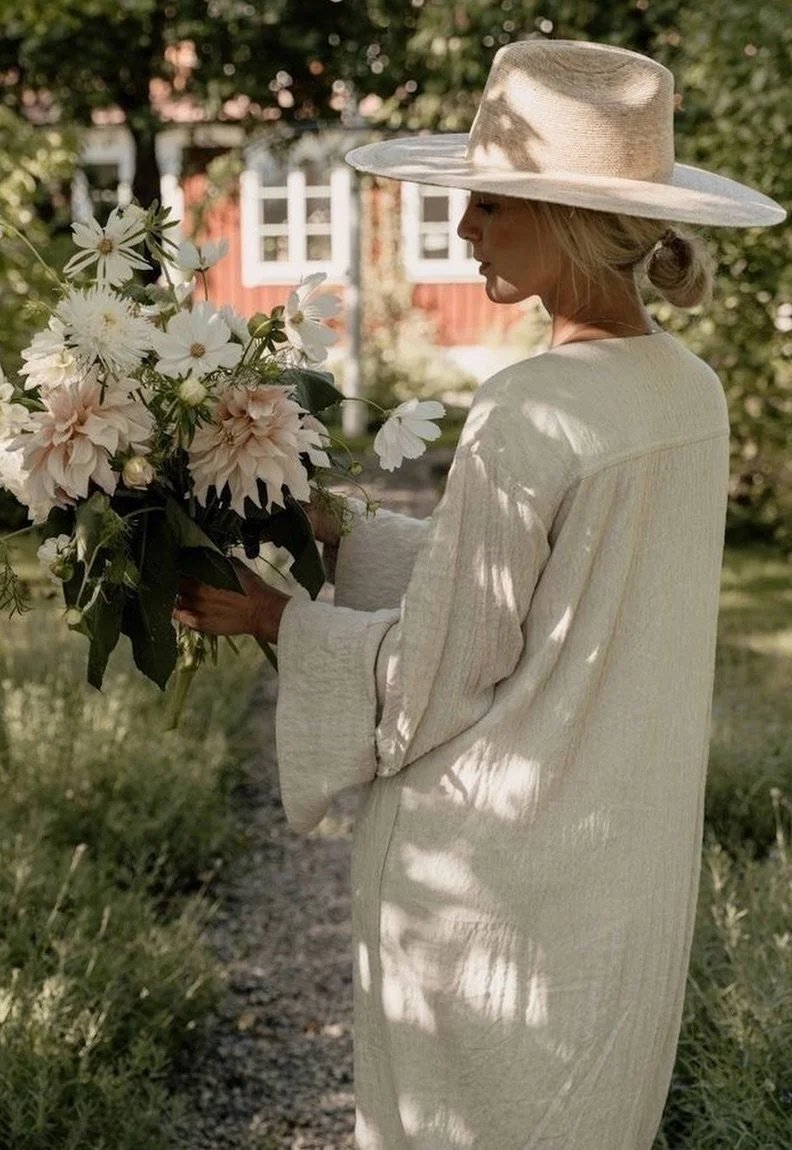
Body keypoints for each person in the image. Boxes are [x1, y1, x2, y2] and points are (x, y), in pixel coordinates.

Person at [174, 39, 785, 1150]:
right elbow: (547, 593)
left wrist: (274, 618)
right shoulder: (686, 394)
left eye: (489, 204)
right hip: (612, 874)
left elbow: (437, 670)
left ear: (564, 218)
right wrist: (340, 526)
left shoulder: (528, 406)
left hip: (488, 882)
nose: (463, 232)